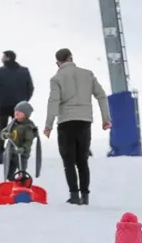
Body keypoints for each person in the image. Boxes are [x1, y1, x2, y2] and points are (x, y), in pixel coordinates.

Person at [44, 48, 112, 205]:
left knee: (68, 161)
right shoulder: (87, 74)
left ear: (57, 63)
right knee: (82, 160)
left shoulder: (56, 78)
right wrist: (105, 119)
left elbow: (53, 101)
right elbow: (101, 95)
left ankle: (74, 195)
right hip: (84, 121)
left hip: (66, 123)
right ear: (71, 58)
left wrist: (48, 125)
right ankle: (85, 195)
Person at [0, 50, 34, 164]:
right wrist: (24, 101)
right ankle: (19, 154)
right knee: (20, 129)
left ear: (7, 58)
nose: (1, 58)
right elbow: (31, 88)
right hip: (19, 106)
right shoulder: (24, 71)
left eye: (3, 56)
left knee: (2, 128)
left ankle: (0, 155)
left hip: (3, 105)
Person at [2, 101, 38, 180]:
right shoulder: (13, 123)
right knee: (9, 173)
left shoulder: (28, 127)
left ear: (26, 114)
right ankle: (12, 186)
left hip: (21, 155)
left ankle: (23, 185)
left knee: (22, 173)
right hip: (11, 153)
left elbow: (29, 141)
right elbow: (3, 132)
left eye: (19, 112)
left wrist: (23, 148)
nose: (16, 114)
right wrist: (5, 135)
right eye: (15, 112)